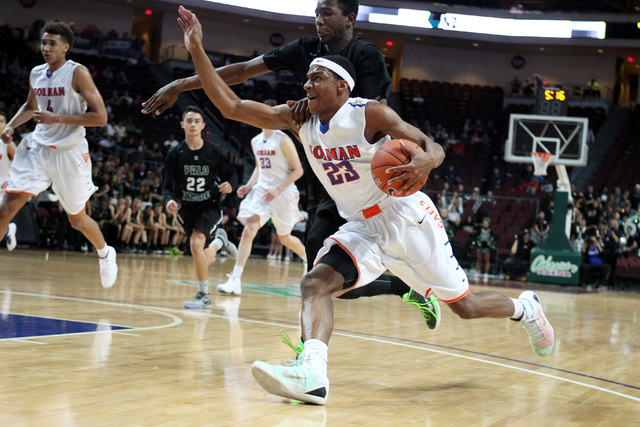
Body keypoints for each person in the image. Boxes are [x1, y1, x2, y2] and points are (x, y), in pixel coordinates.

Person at [177, 7, 555, 405]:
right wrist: (198, 49)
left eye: (316, 78)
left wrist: (430, 159)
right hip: (361, 225)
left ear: (342, 86)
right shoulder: (298, 120)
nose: (307, 85)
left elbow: (431, 146)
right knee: (314, 283)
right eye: (306, 78)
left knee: (466, 306)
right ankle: (313, 374)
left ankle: (524, 308)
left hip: (407, 217)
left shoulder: (369, 114)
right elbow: (232, 107)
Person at [142, 0, 439, 328]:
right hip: (326, 177)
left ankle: (307, 354)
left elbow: (366, 112)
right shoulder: (304, 50)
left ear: (350, 18)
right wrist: (181, 83)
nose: (318, 21)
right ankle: (405, 288)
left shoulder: (365, 57)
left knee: (321, 279)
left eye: (327, 14)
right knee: (322, 280)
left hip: (365, 178)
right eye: (316, 14)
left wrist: (312, 106)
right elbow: (240, 75)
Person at [0, 22, 117, 288]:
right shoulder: (37, 73)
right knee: (6, 208)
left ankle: (105, 253)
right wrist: (11, 125)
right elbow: (31, 106)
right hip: (38, 149)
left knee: (77, 220)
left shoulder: (78, 73)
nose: (46, 48)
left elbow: (100, 118)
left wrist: (57, 118)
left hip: (70, 153)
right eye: (43, 42)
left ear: (66, 46)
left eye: (52, 43)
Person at [218, 103, 307, 295]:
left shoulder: (283, 139)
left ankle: (309, 260)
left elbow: (298, 170)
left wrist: (277, 188)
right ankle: (235, 279)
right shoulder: (256, 141)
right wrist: (248, 186)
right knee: (249, 230)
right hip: (262, 191)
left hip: (283, 193)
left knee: (285, 238)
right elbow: (260, 168)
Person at [162, 106, 238, 309]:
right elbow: (167, 185)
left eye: (197, 120)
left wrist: (231, 185)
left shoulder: (214, 152)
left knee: (196, 243)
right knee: (199, 250)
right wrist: (169, 201)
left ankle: (203, 296)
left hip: (209, 205)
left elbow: (232, 173)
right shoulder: (175, 153)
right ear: (182, 125)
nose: (193, 124)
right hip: (186, 208)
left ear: (203, 125)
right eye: (189, 120)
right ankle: (220, 243)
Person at [0, 111, 18, 251]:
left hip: (3, 188)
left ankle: (7, 230)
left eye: (2, 121)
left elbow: (21, 165)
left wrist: (13, 181)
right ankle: (8, 230)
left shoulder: (8, 145)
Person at [472, 217, 496, 281]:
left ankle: (486, 274)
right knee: (479, 260)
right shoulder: (479, 230)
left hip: (487, 248)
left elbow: (493, 239)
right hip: (480, 247)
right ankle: (478, 272)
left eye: (486, 223)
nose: (485, 224)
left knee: (487, 261)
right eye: (484, 223)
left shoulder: (490, 231)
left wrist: (489, 244)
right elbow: (476, 237)